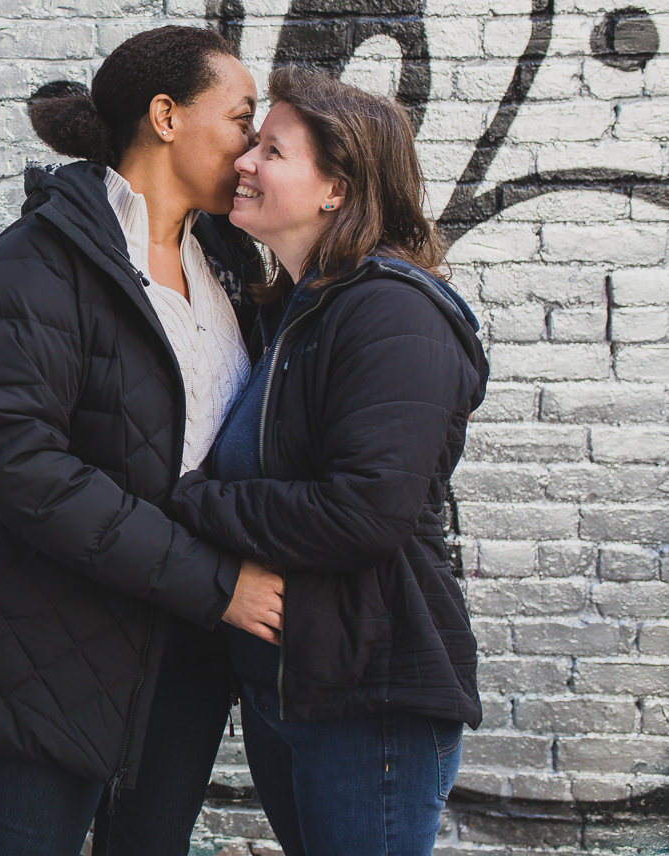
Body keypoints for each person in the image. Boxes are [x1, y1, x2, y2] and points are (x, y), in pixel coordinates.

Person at [0, 25, 286, 856]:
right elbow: (21, 467)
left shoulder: (222, 264)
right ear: (165, 116)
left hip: (185, 653)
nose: (252, 148)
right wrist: (218, 582)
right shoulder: (36, 265)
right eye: (241, 118)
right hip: (55, 648)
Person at [166, 67, 489, 856]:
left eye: (271, 150)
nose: (244, 159)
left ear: (335, 191)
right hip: (299, 686)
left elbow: (364, 511)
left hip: (369, 700)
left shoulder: (391, 312)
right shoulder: (303, 309)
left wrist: (190, 502)